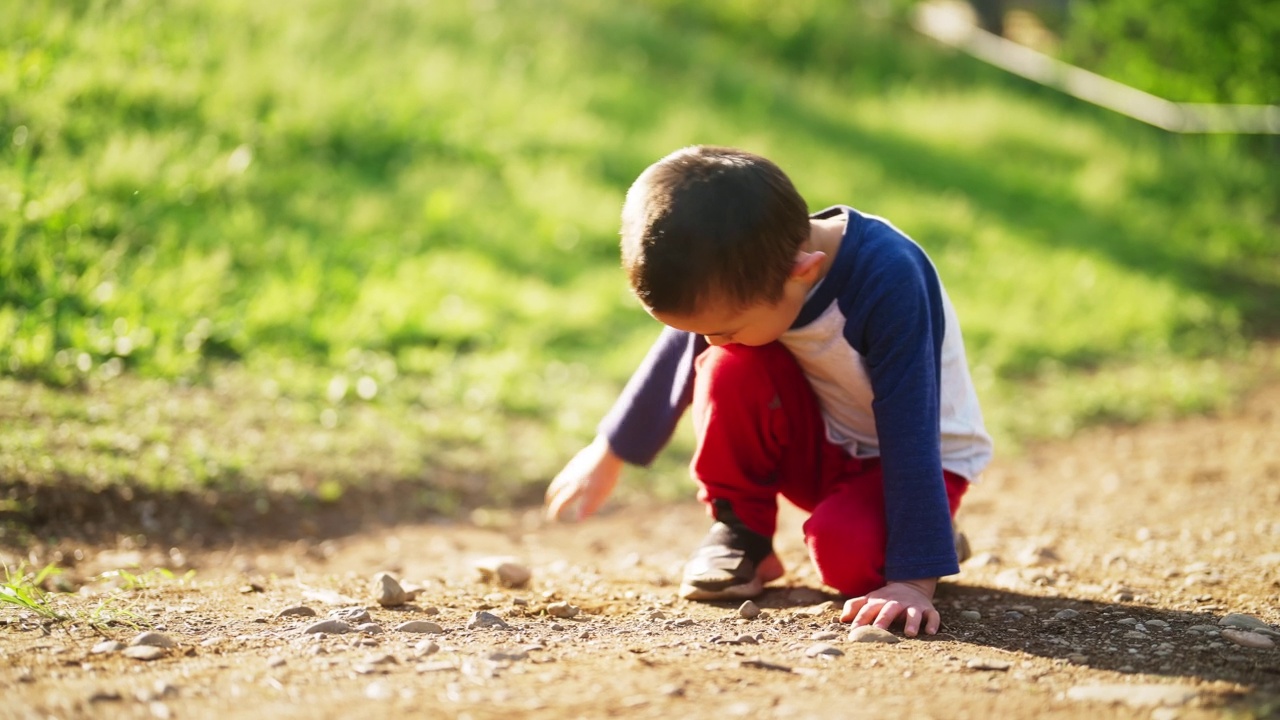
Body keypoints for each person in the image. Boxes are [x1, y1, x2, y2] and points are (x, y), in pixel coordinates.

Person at [544, 146, 993, 637]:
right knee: (727, 366)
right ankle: (744, 537)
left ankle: (930, 536)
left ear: (802, 271)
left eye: (728, 327)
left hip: (917, 459)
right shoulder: (743, 272)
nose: (710, 341)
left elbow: (911, 425)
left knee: (846, 559)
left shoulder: (888, 276)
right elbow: (682, 352)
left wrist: (913, 578)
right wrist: (609, 451)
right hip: (823, 444)